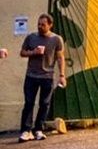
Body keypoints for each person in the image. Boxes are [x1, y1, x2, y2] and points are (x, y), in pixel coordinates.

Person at [18, 14, 65, 142]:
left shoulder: (56, 39)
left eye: (43, 25)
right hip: (31, 75)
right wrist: (33, 52)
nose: (40, 26)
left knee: (44, 104)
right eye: (39, 24)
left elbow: (60, 57)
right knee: (29, 103)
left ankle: (38, 129)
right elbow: (22, 52)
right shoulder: (31, 37)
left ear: (50, 25)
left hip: (47, 76)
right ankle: (26, 131)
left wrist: (62, 75)